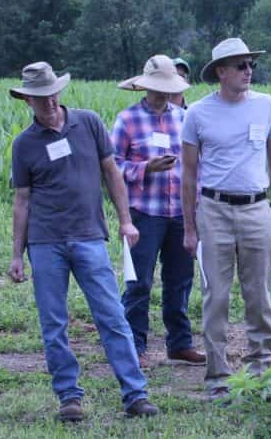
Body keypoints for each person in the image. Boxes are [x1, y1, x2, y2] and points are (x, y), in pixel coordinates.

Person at [7, 62, 159, 422]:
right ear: (27, 99)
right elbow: (22, 201)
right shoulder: (24, 144)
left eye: (52, 94)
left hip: (89, 235)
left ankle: (135, 394)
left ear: (59, 91)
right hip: (45, 242)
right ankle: (69, 397)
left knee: (111, 315)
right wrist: (17, 253)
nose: (48, 102)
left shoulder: (88, 122)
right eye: (40, 97)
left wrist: (125, 220)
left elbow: (112, 173)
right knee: (53, 322)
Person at [181, 38, 271, 401]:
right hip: (214, 210)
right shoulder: (197, 113)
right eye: (240, 66)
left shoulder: (267, 106)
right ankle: (218, 378)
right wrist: (190, 227)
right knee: (216, 297)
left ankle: (262, 374)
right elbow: (189, 174)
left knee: (260, 295)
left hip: (258, 209)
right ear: (221, 72)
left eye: (250, 65)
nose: (248, 71)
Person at [112, 55, 205, 369]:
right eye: (160, 88)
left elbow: (197, 166)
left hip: (180, 212)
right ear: (146, 86)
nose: (166, 94)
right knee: (138, 282)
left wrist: (198, 207)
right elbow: (111, 167)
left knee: (180, 280)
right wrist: (145, 168)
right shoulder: (127, 120)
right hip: (144, 212)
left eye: (170, 88)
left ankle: (179, 344)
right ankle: (134, 345)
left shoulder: (184, 118)